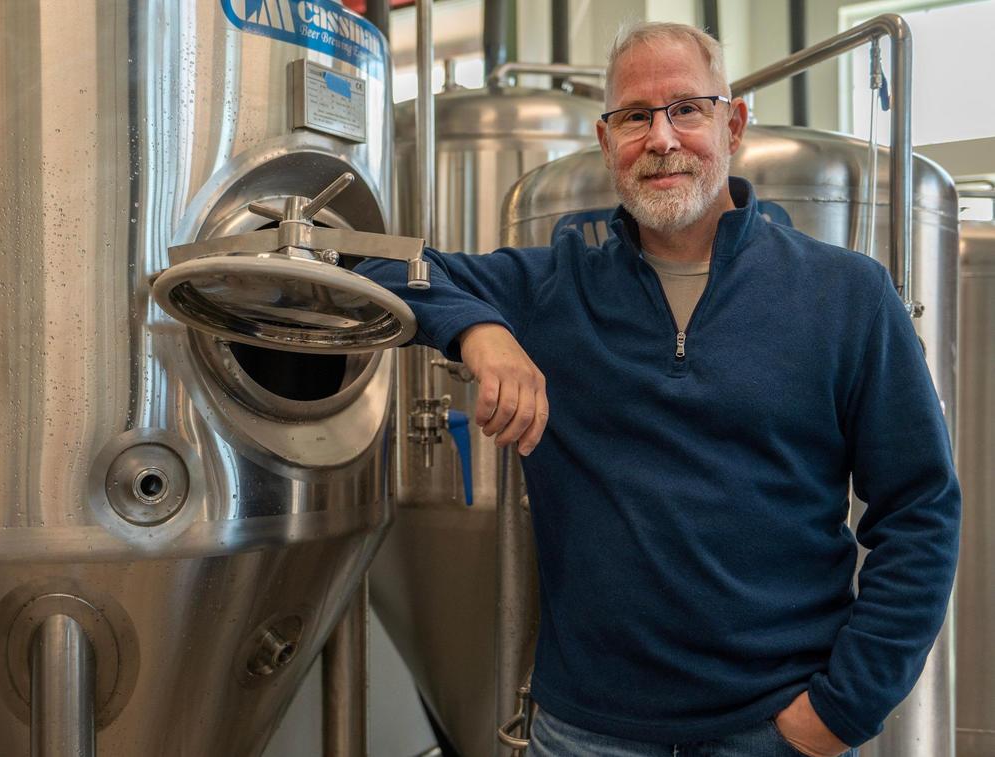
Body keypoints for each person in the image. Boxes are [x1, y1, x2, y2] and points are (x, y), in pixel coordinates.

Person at [356, 21, 960, 757]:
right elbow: (370, 269)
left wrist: (840, 711)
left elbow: (921, 510)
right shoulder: (558, 284)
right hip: (586, 733)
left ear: (732, 124)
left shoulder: (846, 294)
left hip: (776, 730)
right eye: (635, 117)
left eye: (686, 110)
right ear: (606, 141)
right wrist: (480, 330)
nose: (662, 138)